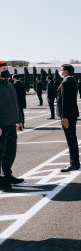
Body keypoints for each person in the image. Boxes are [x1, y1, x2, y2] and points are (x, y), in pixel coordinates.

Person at [0, 61, 24, 190]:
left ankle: (7, 175)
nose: (6, 71)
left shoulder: (9, 85)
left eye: (6, 68)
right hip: (1, 126)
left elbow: (16, 103)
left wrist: (19, 119)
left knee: (10, 152)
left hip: (11, 124)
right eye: (3, 68)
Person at [57, 64, 80, 172]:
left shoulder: (66, 82)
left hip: (68, 115)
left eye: (62, 70)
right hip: (72, 114)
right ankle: (75, 162)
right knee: (72, 138)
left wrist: (64, 117)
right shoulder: (72, 81)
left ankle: (74, 163)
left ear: (66, 71)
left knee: (71, 139)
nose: (60, 72)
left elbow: (65, 101)